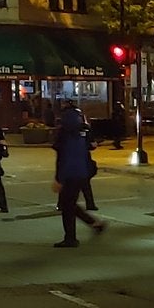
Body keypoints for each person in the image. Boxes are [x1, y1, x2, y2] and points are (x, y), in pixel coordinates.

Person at [53, 103, 104, 246]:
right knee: (69, 203)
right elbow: (91, 146)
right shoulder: (83, 131)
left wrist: (59, 179)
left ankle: (71, 238)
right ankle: (94, 223)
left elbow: (62, 158)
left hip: (69, 174)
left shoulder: (63, 133)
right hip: (83, 171)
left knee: (67, 205)